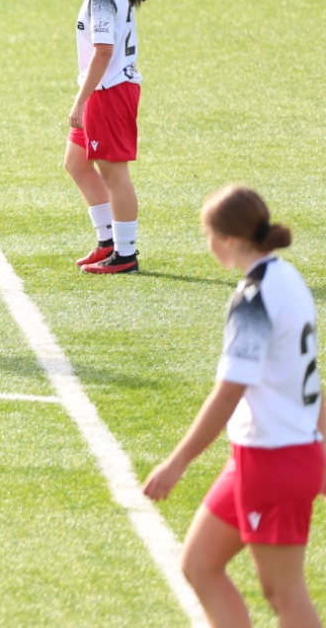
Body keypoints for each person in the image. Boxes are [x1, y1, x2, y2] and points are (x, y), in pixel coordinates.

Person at [143, 187, 322, 628]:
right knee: (199, 564)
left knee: (284, 594)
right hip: (262, 454)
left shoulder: (253, 298)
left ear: (224, 239)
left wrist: (176, 463)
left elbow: (228, 393)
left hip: (275, 458)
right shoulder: (289, 278)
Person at [66, 0, 156, 275]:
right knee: (76, 163)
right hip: (105, 87)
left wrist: (81, 99)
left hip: (109, 90)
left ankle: (126, 253)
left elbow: (103, 52)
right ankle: (107, 241)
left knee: (114, 174)